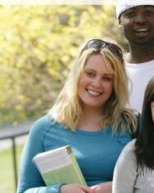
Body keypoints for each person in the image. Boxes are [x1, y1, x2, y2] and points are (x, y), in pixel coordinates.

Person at [17, 38, 138, 193]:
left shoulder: (132, 124)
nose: (96, 84)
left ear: (116, 84)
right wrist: (59, 191)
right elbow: (24, 191)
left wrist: (116, 187)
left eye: (107, 78)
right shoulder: (44, 129)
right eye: (90, 73)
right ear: (77, 73)